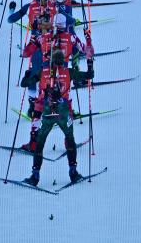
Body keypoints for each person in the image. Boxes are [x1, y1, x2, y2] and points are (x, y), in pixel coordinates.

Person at [20, 48, 94, 186]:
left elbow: (25, 84)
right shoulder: (69, 72)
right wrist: (89, 61)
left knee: (40, 143)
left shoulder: (43, 72)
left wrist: (26, 74)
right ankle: (73, 173)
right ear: (63, 61)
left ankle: (35, 176)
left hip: (48, 112)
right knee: (70, 139)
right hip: (63, 113)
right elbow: (90, 75)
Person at [19, 14, 93, 152]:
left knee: (39, 107)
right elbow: (88, 52)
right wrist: (88, 39)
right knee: (66, 105)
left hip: (45, 74)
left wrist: (33, 37)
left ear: (53, 24)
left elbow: (26, 53)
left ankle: (34, 142)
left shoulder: (44, 37)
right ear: (65, 25)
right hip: (64, 74)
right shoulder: (71, 37)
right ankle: (68, 141)